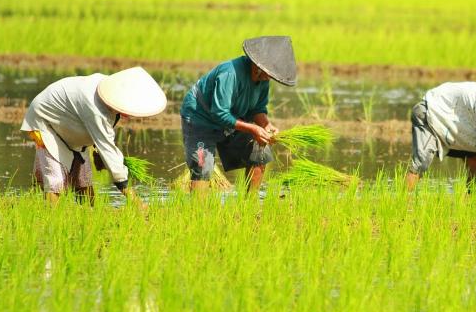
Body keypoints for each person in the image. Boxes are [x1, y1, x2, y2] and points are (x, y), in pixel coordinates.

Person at [20, 67, 167, 206]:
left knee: (83, 178)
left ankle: (89, 214)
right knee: (55, 179)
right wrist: (133, 199)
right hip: (45, 120)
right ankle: (49, 217)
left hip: (70, 121)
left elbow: (103, 135)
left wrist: (97, 151)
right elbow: (108, 149)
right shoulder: (96, 108)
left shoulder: (111, 90)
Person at [180, 36, 297, 194]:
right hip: (201, 117)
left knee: (260, 149)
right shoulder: (230, 74)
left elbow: (258, 109)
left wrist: (266, 125)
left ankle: (249, 206)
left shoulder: (263, 80)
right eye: (269, 73)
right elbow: (219, 113)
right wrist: (252, 129)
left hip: (231, 117)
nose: (269, 78)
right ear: (257, 66)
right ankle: (198, 213)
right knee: (202, 166)